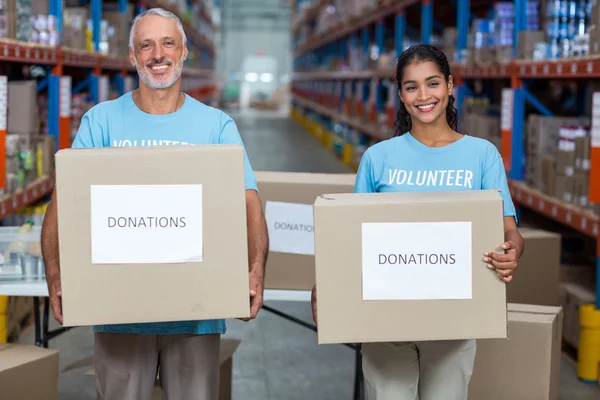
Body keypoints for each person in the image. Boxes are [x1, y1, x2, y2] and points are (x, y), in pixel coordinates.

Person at [40, 8, 269, 400]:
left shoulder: (215, 126)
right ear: (132, 56)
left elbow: (249, 204)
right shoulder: (101, 122)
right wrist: (56, 271)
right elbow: (66, 202)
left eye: (168, 43)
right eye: (146, 44)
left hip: (196, 313)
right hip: (119, 313)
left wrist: (255, 268)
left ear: (184, 53)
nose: (157, 54)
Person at [311, 44, 524, 399]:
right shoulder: (378, 158)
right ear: (400, 94)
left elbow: (509, 231)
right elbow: (351, 238)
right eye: (412, 87)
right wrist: (326, 284)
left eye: (433, 83)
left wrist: (512, 251)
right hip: (385, 319)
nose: (423, 96)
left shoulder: (482, 155)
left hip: (455, 319)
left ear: (451, 86)